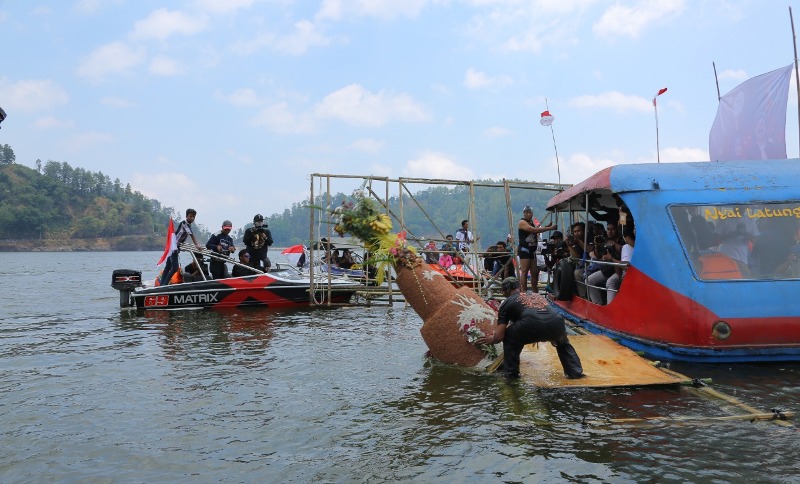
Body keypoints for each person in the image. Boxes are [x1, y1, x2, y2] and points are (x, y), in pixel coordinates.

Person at [475, 277, 584, 379]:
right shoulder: (536, 295)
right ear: (520, 288)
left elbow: (499, 336)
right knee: (563, 343)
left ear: (503, 292)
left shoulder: (507, 302)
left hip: (532, 323)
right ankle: (575, 372)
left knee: (508, 337)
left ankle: (511, 376)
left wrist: (492, 339)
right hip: (557, 321)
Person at [517, 206, 557, 293]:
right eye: (526, 213)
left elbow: (536, 232)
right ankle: (524, 291)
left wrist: (546, 227)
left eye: (529, 212)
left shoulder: (531, 222)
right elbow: (533, 230)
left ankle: (535, 291)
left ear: (532, 213)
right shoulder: (522, 222)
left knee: (534, 272)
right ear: (524, 214)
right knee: (524, 271)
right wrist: (550, 228)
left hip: (532, 250)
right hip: (525, 250)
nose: (527, 214)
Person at [160, 208, 201, 286]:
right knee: (175, 267)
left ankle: (162, 284)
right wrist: (197, 245)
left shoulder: (188, 225)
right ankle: (164, 284)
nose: (192, 218)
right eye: (190, 216)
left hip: (173, 246)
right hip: (173, 247)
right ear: (186, 216)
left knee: (168, 267)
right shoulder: (184, 224)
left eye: (193, 217)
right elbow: (191, 235)